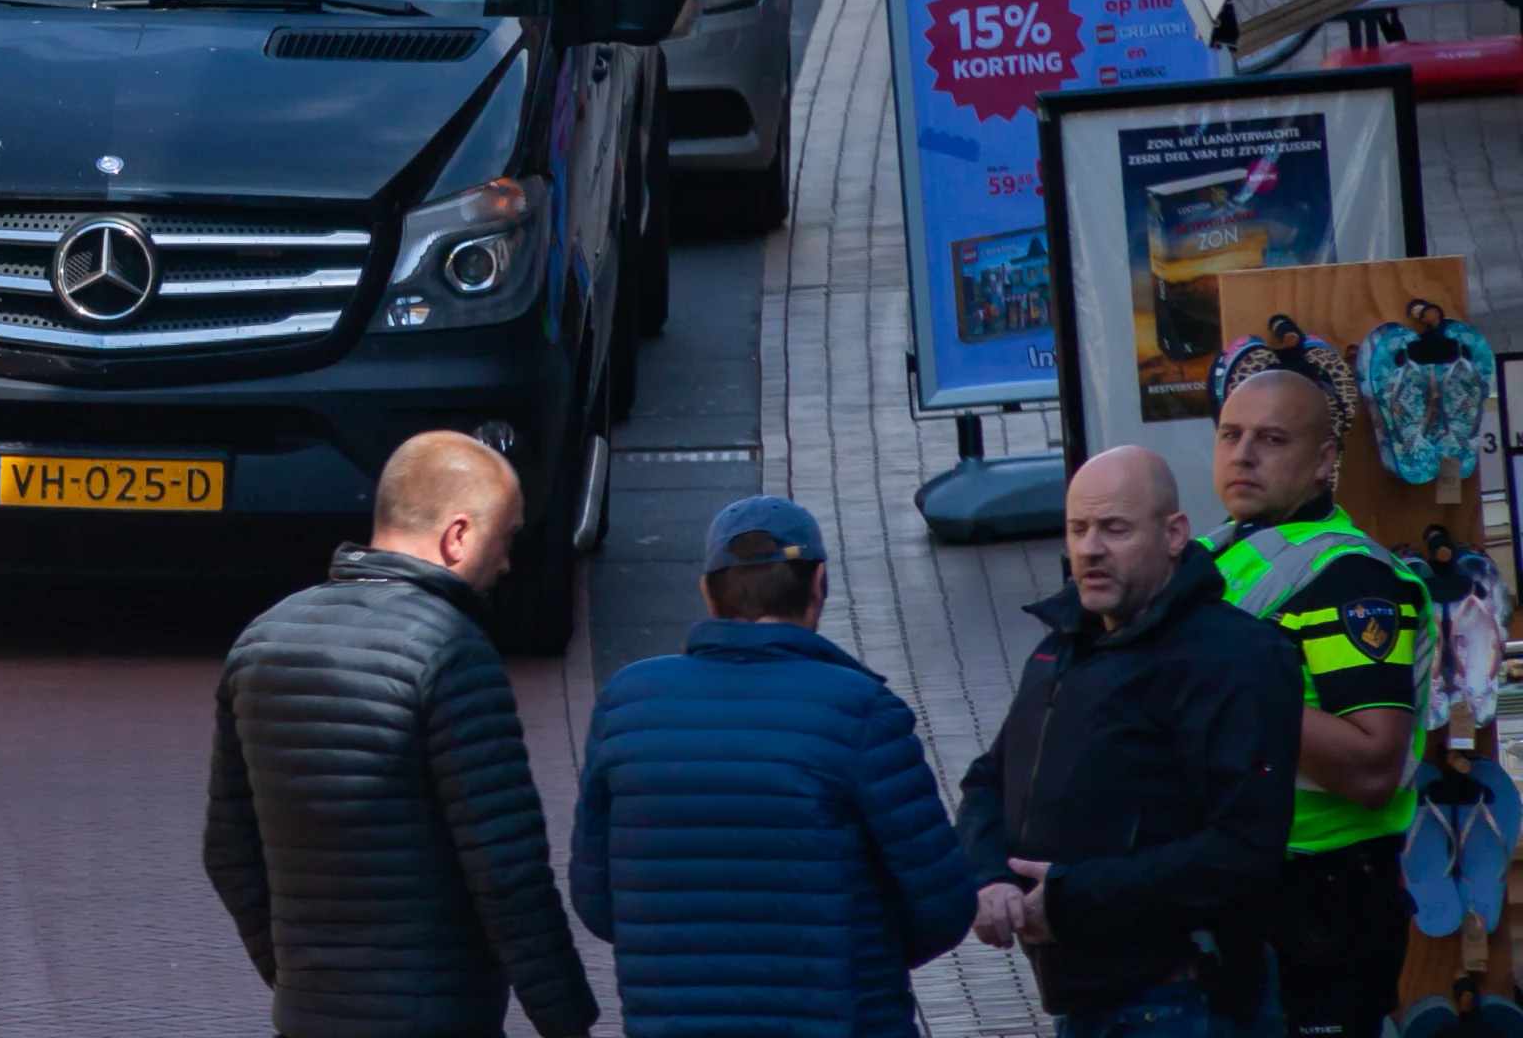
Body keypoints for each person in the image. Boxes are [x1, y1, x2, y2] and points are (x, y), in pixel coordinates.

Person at [208, 431, 595, 1038]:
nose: (507, 563)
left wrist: (294, 980)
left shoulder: (260, 642)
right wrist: (566, 1019)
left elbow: (228, 852)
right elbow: (508, 871)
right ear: (459, 535)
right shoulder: (453, 653)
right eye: (507, 537)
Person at [570, 496, 975, 1038]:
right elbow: (943, 904)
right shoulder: (859, 710)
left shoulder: (628, 703)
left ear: (708, 592)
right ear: (819, 584)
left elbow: (596, 901)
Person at [958, 447, 1303, 1038]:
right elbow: (992, 778)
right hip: (1087, 1001)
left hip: (1181, 1000)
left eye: (1114, 529)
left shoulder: (1233, 658)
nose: (1090, 548)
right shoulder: (1065, 644)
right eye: (1078, 529)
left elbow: (1241, 849)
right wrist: (990, 878)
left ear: (1174, 534)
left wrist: (1069, 900)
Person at [1200, 355, 1430, 1038]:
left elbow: (1372, 765)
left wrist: (1217, 695)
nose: (1244, 455)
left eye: (1272, 440)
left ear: (1324, 458)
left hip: (1324, 901)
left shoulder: (1348, 578)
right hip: (1242, 888)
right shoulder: (1219, 555)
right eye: (1230, 434)